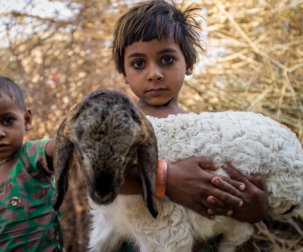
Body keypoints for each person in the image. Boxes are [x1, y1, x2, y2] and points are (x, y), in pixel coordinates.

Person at [113, 0, 270, 250]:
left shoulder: (207, 129)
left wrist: (255, 209)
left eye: (166, 59)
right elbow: (97, 174)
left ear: (189, 62)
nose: (154, 73)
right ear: (123, 70)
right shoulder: (119, 125)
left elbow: (231, 185)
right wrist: (166, 178)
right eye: (139, 63)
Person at [0, 75, 63, 251]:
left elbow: (57, 148)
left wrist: (72, 134)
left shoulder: (30, 156)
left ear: (27, 120)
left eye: (7, 120)